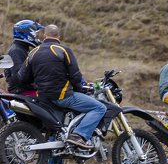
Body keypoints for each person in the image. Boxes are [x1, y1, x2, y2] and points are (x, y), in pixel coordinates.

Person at [16, 24, 106, 156]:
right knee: (99, 108)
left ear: (44, 36)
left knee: (56, 131)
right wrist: (79, 91)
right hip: (63, 97)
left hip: (42, 98)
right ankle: (78, 135)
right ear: (59, 37)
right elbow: (75, 75)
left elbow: (22, 78)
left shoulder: (33, 52)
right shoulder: (63, 50)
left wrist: (39, 83)